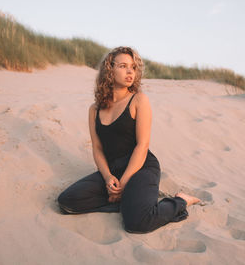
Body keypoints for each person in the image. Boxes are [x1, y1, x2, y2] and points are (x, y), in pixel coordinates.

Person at [57, 46, 200, 233]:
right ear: (109, 70)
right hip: (113, 170)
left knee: (137, 224)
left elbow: (143, 145)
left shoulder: (139, 100)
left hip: (141, 167)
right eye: (123, 66)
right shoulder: (94, 109)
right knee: (67, 202)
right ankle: (130, 202)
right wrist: (109, 178)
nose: (130, 71)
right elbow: (98, 149)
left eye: (133, 67)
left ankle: (180, 200)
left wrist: (123, 184)